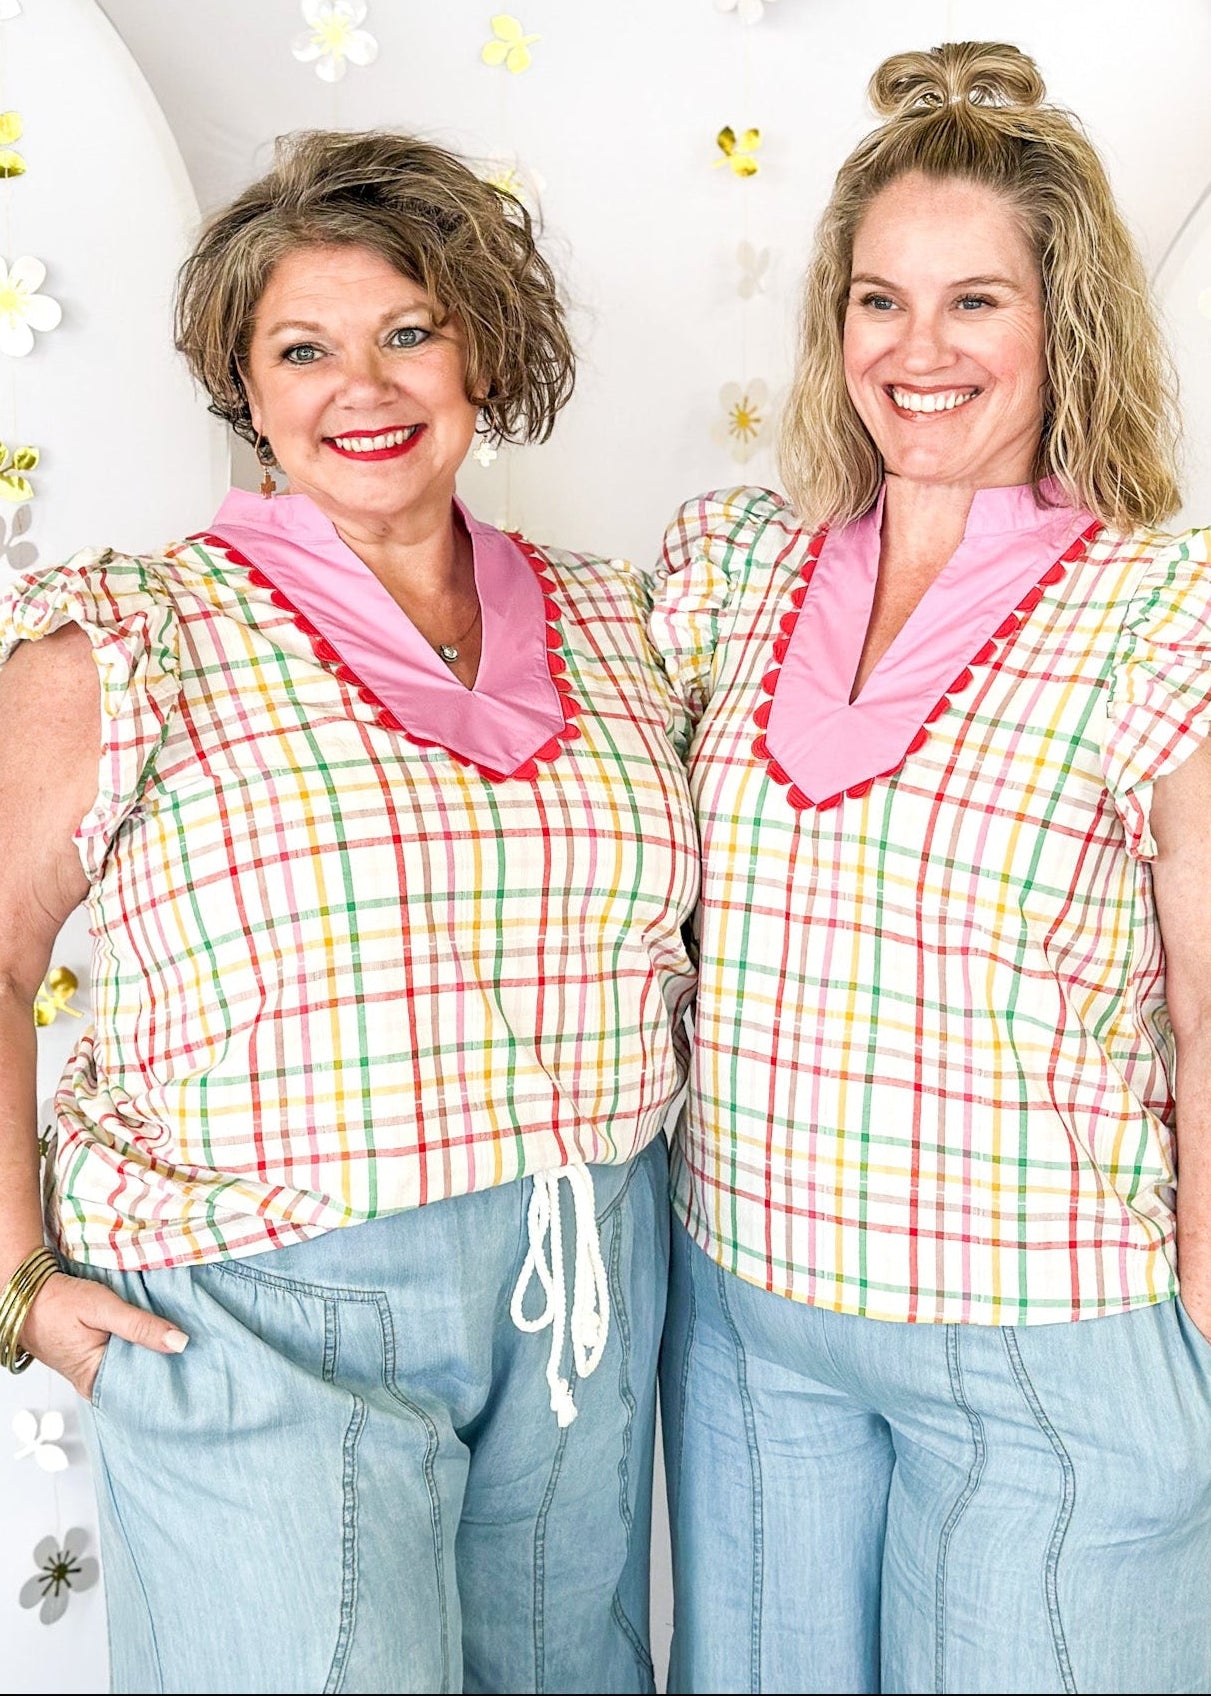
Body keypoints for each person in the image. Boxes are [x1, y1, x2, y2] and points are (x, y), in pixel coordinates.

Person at [0, 129, 698, 1696]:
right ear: (245, 388)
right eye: (301, 348)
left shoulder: (614, 619)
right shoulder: (137, 633)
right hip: (258, 1309)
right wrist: (14, 1281)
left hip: (582, 1286)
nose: (360, 390)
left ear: (480, 353)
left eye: (407, 333)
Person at [652, 40, 1211, 1696]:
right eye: (881, 301)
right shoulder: (729, 571)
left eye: (976, 302)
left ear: (1066, 323)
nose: (920, 350)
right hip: (752, 1325)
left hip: (1050, 1335)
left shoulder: (1160, 609)